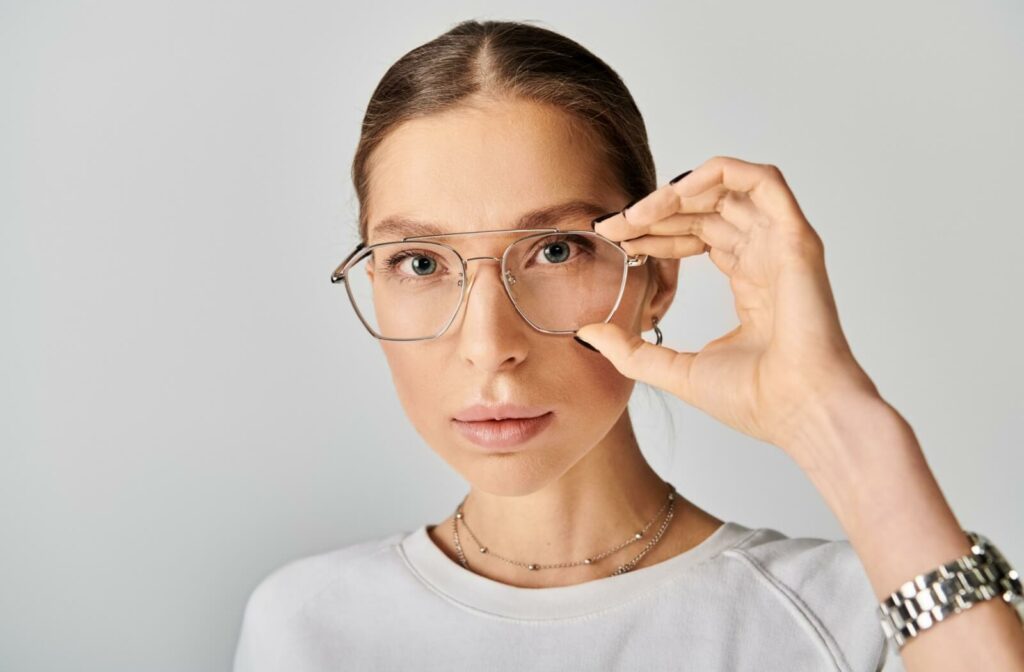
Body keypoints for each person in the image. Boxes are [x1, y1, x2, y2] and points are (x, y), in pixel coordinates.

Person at [232, 19, 1024, 671]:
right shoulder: (309, 628)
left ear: (657, 278)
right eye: (418, 262)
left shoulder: (867, 616)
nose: (487, 345)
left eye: (554, 250)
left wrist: (841, 423)